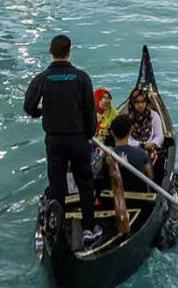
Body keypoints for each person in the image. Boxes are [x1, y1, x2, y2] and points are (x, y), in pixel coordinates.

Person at [23, 34, 102, 247]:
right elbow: (90, 113)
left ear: (51, 52)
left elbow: (28, 107)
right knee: (85, 183)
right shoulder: (81, 78)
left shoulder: (43, 78)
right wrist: (88, 135)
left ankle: (57, 227)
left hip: (54, 140)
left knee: (57, 184)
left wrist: (42, 112)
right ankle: (88, 229)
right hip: (78, 139)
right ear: (69, 52)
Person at [105, 114, 152, 193]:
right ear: (130, 131)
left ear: (112, 132)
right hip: (139, 196)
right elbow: (150, 178)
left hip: (112, 197)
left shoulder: (106, 157)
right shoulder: (142, 154)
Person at [125, 86, 164, 156]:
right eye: (137, 102)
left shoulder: (154, 115)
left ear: (146, 102)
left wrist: (152, 144)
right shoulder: (127, 118)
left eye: (143, 101)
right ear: (132, 103)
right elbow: (125, 139)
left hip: (150, 148)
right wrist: (139, 145)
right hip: (132, 150)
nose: (140, 105)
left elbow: (159, 136)